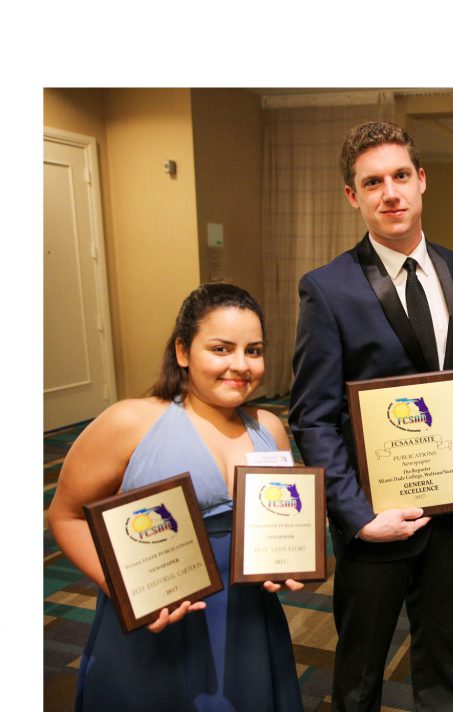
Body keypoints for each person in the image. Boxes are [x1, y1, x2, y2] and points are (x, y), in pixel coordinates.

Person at [289, 121, 453, 712]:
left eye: (401, 176)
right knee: (359, 670)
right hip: (374, 515)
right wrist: (355, 515)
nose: (390, 193)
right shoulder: (327, 289)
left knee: (442, 656)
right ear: (354, 196)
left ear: (422, 181)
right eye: (372, 182)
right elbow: (312, 417)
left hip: (452, 512)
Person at [47, 283, 304, 711]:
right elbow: (66, 516)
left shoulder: (269, 428)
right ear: (183, 352)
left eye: (254, 351)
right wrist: (126, 591)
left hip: (245, 619)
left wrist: (286, 560)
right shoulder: (130, 421)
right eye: (221, 349)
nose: (240, 365)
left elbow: (278, 519)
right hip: (157, 617)